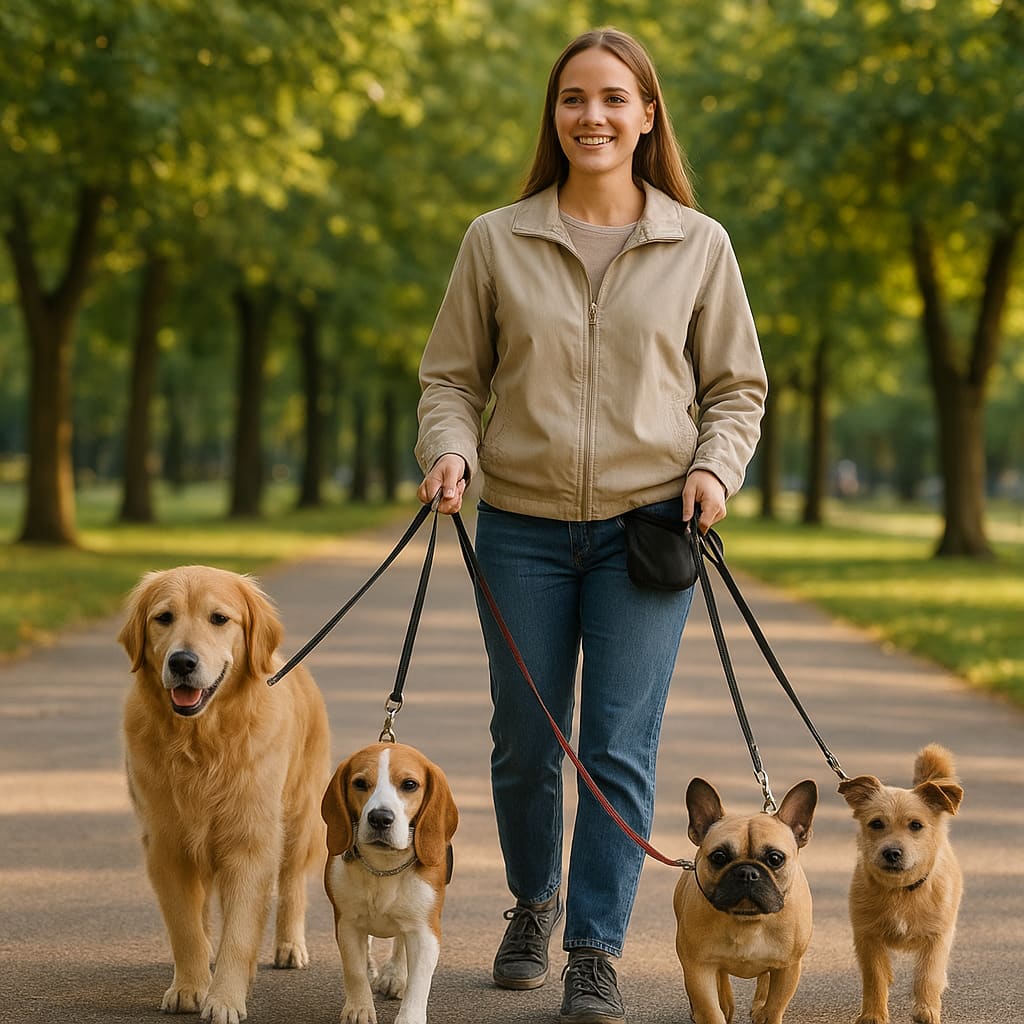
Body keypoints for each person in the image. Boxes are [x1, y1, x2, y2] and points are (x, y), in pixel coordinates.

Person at [415, 27, 767, 1024]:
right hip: (520, 525)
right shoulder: (497, 237)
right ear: (554, 115)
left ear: (647, 114)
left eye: (614, 98)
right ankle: (534, 899)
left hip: (649, 529)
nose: (593, 116)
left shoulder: (698, 243)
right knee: (528, 739)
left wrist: (712, 469)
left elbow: (735, 388)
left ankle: (593, 947)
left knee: (615, 742)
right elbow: (451, 378)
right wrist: (452, 449)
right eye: (574, 98)